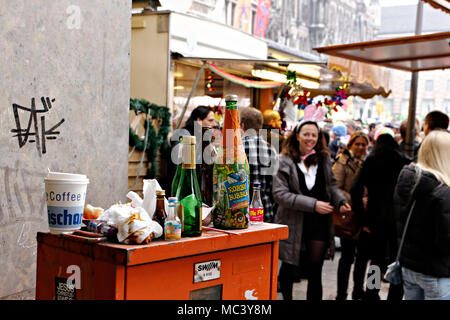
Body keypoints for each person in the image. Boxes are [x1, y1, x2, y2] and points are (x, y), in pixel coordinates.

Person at [273, 120, 351, 300]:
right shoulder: (282, 161)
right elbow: (280, 194)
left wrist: (340, 201)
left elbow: (331, 186)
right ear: (297, 136)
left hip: (319, 223)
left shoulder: (323, 159)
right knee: (289, 268)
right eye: (306, 134)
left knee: (315, 271)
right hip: (292, 222)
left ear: (319, 138)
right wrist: (313, 204)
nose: (310, 138)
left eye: (314, 135)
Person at [351, 129, 411, 300]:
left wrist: (362, 217)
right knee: (396, 261)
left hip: (374, 219)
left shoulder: (371, 161)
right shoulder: (404, 162)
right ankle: (395, 294)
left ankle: (372, 293)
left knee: (376, 261)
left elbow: (355, 189)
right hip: (398, 220)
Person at [393, 130, 450, 300]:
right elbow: (446, 241)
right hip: (436, 272)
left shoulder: (406, 181)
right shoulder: (444, 191)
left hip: (409, 268)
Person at [332, 131, 371, 300]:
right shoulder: (342, 161)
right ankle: (342, 293)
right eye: (358, 144)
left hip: (365, 216)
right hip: (349, 214)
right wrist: (355, 199)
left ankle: (359, 290)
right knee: (347, 257)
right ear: (351, 145)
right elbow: (335, 187)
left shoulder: (369, 162)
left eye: (363, 144)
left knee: (363, 258)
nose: (361, 147)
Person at [240, 107, 278, 223]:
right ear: (261, 126)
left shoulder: (236, 148)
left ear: (242, 125)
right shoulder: (271, 149)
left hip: (240, 212)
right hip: (265, 209)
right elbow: (275, 186)